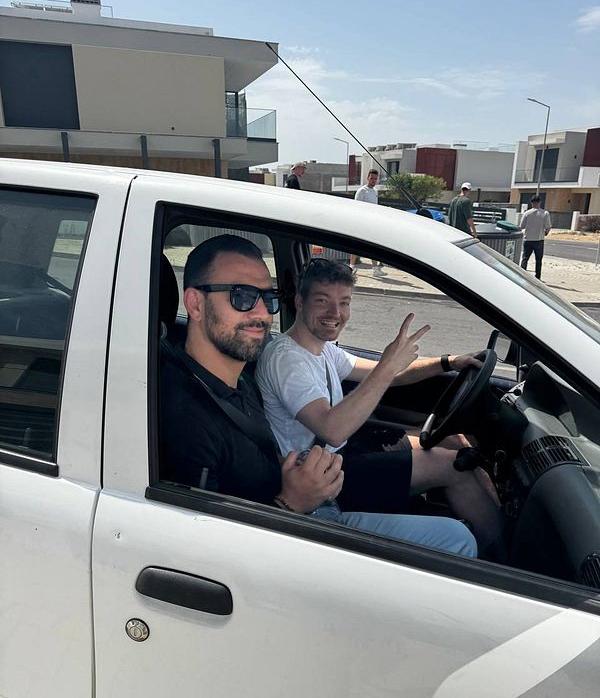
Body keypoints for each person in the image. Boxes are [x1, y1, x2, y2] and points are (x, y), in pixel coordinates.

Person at [159, 234, 477, 558]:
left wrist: (446, 362)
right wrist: (289, 504)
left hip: (317, 490)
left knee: (453, 453)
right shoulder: (186, 417)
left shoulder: (237, 385)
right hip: (304, 528)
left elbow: (387, 374)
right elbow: (203, 554)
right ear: (196, 304)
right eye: (241, 296)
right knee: (459, 538)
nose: (261, 314)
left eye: (267, 299)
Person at [256, 257, 504, 558]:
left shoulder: (321, 351)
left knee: (455, 440)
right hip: (325, 476)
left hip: (345, 453)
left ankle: (499, 527)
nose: (335, 313)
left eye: (344, 302)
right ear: (299, 301)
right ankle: (501, 559)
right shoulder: (287, 358)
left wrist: (447, 362)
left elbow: (390, 375)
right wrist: (388, 365)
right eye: (323, 301)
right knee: (457, 465)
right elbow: (332, 429)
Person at [350, 169, 387, 277]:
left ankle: (375, 268)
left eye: (375, 179)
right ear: (367, 178)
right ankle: (351, 266)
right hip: (361, 222)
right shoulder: (362, 191)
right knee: (356, 244)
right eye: (371, 178)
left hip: (372, 223)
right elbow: (356, 207)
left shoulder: (375, 191)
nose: (373, 180)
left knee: (373, 245)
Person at [519, 194, 551, 279]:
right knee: (538, 260)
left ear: (531, 203)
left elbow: (521, 226)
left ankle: (522, 275)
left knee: (525, 258)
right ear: (540, 202)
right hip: (539, 239)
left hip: (528, 239)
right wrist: (546, 233)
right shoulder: (545, 213)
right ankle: (537, 277)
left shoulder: (527, 213)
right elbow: (548, 227)